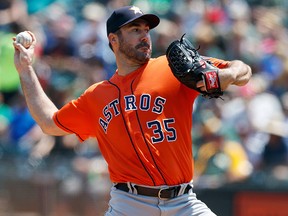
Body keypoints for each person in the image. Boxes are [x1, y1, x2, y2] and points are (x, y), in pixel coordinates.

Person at [13, 5, 252, 216]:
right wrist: (26, 70)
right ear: (113, 40)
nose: (145, 36)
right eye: (135, 30)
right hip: (129, 204)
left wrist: (227, 74)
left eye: (146, 30)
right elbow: (48, 122)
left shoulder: (172, 68)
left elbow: (243, 70)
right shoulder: (96, 96)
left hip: (183, 202)